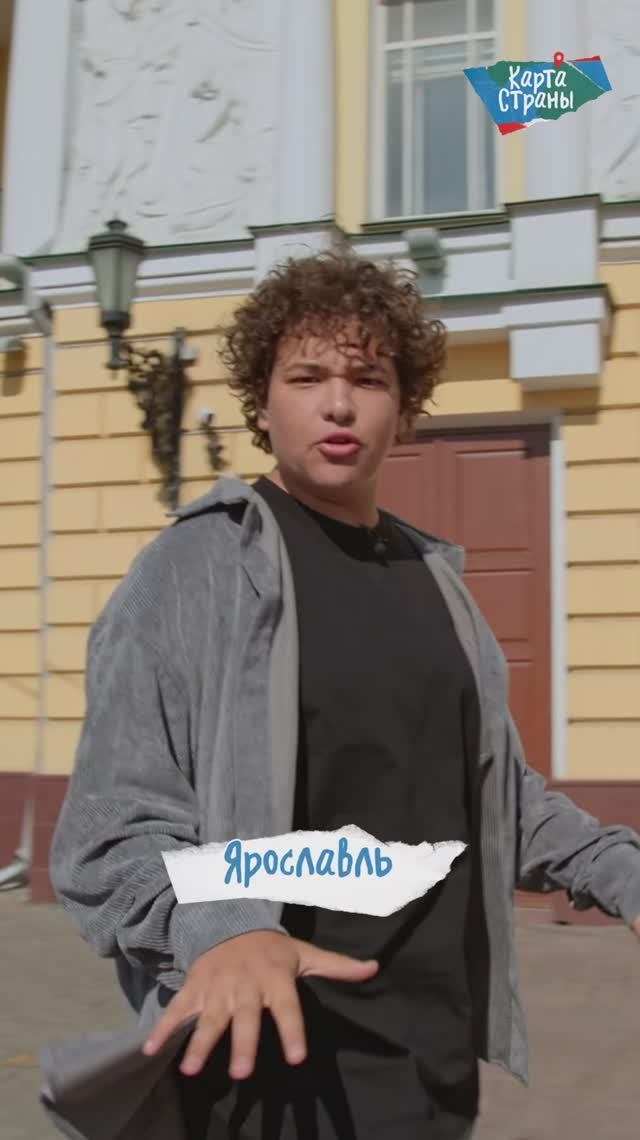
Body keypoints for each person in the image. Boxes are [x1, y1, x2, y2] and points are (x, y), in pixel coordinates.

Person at [48, 252, 640, 1140]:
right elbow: (108, 833)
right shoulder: (196, 570)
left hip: (432, 1057)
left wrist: (625, 874)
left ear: (404, 407)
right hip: (270, 1066)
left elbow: (498, 804)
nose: (338, 404)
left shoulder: (438, 584)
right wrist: (224, 927)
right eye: (306, 377)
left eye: (368, 379)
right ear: (261, 402)